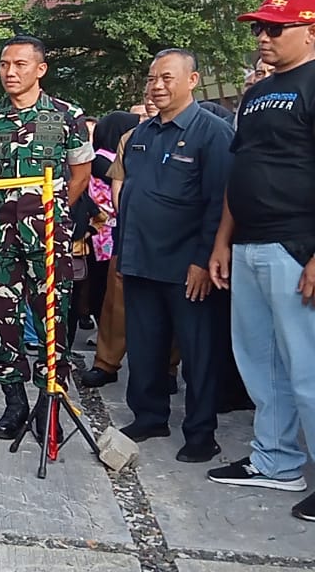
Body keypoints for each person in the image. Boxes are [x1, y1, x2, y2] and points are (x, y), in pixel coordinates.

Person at [208, 0, 315, 522]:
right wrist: (223, 240)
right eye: (259, 28)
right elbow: (241, 169)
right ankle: (276, 461)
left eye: (275, 28)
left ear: (310, 31)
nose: (262, 37)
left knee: (307, 368)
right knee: (260, 363)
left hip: (297, 243)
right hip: (249, 241)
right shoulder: (257, 94)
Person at [0, 36, 94, 442]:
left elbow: (81, 175)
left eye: (20, 64)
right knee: (1, 316)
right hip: (0, 236)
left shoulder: (67, 116)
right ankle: (14, 402)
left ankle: (48, 402)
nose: (10, 72)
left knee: (52, 317)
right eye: (4, 64)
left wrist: (49, 209)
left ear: (40, 69)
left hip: (47, 235)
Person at [115, 50, 232, 464]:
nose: (157, 86)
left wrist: (203, 259)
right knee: (144, 347)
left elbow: (220, 203)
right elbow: (132, 195)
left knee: (198, 354)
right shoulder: (141, 134)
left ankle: (201, 432)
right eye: (152, 78)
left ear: (192, 80)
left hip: (187, 265)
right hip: (141, 260)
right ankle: (149, 417)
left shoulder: (213, 133)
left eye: (166, 77)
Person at [77, 111, 141, 388]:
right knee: (112, 300)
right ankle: (106, 362)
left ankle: (166, 370)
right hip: (114, 234)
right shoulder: (106, 157)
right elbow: (118, 189)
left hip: (154, 234)